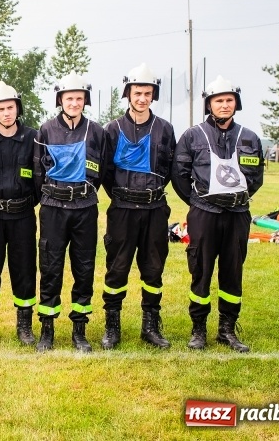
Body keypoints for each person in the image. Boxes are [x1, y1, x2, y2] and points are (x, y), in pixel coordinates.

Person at [171, 76, 264, 353]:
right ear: (209, 104)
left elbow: (256, 178)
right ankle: (198, 329)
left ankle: (227, 329)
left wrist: (234, 200)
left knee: (232, 272)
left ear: (236, 103)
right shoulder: (192, 136)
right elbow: (179, 175)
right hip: (204, 214)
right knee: (200, 270)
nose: (224, 105)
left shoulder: (249, 137)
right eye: (218, 100)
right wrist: (198, 203)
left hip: (237, 214)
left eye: (229, 100)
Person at [100, 63, 176, 350]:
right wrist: (123, 194)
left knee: (153, 269)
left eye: (147, 93)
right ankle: (112, 326)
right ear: (128, 94)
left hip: (155, 210)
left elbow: (169, 168)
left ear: (153, 95)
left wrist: (149, 193)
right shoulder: (112, 129)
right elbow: (105, 172)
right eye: (137, 93)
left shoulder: (165, 129)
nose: (142, 98)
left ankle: (150, 326)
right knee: (117, 269)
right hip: (122, 210)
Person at [33, 72, 106, 352]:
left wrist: (83, 193)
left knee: (84, 268)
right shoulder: (46, 130)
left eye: (79, 98)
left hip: (85, 208)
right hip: (53, 208)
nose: (74, 103)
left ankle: (79, 330)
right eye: (69, 98)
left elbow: (103, 170)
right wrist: (52, 195)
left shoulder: (96, 132)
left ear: (85, 100)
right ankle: (47, 330)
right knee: (50, 267)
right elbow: (38, 170)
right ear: (60, 100)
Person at [0, 82, 39, 346]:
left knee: (24, 270)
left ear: (18, 108)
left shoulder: (33, 138)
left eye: (10, 107)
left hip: (23, 216)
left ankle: (24, 326)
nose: (6, 113)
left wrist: (27, 202)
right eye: (0, 109)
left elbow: (39, 178)